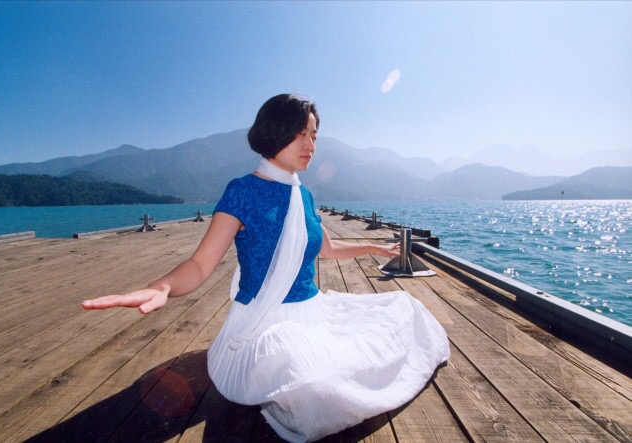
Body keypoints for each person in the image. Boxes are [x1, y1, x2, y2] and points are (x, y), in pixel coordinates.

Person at [82, 94, 450, 442]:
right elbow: (199, 264)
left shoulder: (304, 194)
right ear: (275, 132)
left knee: (404, 309)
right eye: (300, 133)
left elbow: (327, 248)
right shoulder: (242, 191)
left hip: (313, 312)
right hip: (265, 323)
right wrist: (162, 286)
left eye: (314, 135)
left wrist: (372, 246)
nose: (310, 144)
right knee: (316, 390)